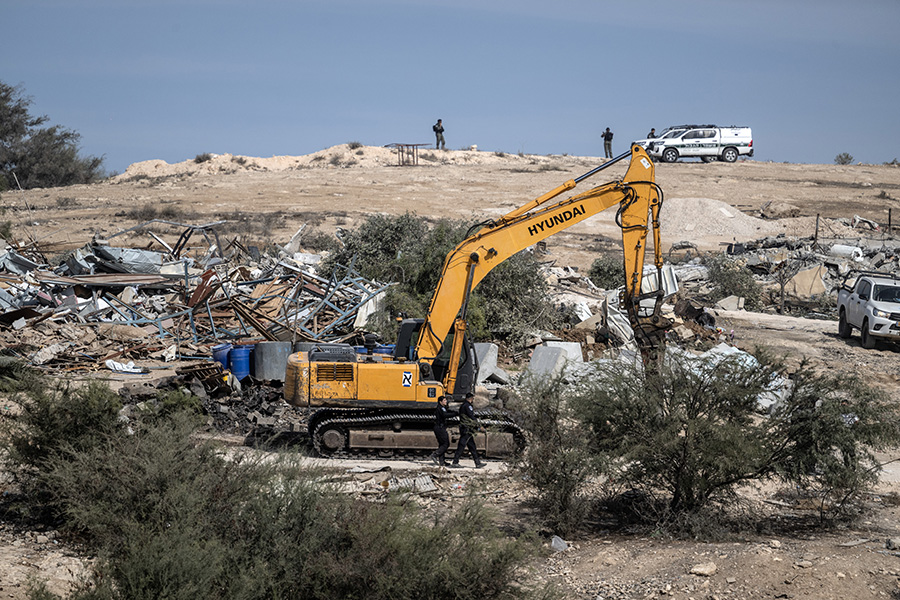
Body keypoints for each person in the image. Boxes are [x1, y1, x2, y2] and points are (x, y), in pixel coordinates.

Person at [449, 393, 485, 468]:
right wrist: (479, 426)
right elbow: (471, 417)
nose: (473, 400)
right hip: (466, 429)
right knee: (461, 446)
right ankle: (455, 462)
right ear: (471, 398)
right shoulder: (467, 406)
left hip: (466, 428)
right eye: (473, 399)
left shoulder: (463, 405)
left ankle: (477, 463)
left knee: (472, 446)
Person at [429, 395, 456, 466]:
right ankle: (435, 455)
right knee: (446, 444)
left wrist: (454, 412)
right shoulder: (440, 408)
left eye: (446, 400)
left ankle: (442, 462)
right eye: (444, 400)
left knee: (442, 444)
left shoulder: (442, 408)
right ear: (440, 402)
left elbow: (447, 411)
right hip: (440, 428)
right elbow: (445, 415)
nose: (446, 401)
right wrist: (455, 414)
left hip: (440, 427)